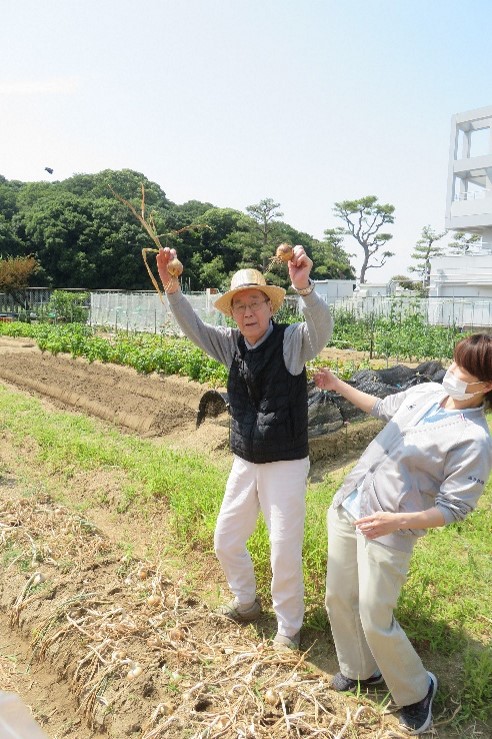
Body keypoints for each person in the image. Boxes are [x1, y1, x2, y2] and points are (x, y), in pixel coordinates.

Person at [314, 333, 492, 735]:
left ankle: (416, 691)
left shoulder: (474, 440)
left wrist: (395, 522)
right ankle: (359, 671)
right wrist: (337, 385)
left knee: (375, 614)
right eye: (454, 362)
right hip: (352, 502)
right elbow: (380, 407)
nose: (453, 371)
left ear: (486, 385)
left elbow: (454, 509)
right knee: (339, 596)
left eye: (464, 369)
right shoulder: (428, 392)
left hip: (390, 527)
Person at [157, 245, 332, 650]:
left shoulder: (291, 342)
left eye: (256, 302)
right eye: (240, 306)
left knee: (283, 549)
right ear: (233, 314)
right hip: (245, 459)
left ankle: (289, 626)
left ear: (271, 307)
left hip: (285, 462)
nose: (249, 311)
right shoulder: (230, 345)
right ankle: (247, 602)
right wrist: (172, 290)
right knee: (225, 539)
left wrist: (305, 288)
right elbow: (196, 330)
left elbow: (321, 331)